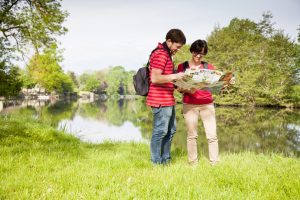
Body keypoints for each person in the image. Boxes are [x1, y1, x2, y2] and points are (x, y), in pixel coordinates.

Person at [146, 29, 186, 164]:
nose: (178, 49)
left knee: (171, 130)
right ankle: (156, 162)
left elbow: (166, 78)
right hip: (159, 99)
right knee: (160, 131)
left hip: (168, 99)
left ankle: (166, 160)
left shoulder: (167, 54)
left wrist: (180, 85)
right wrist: (176, 76)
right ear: (169, 41)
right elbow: (155, 78)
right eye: (177, 46)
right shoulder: (160, 54)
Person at [177, 39, 219, 166]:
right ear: (192, 51)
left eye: (201, 54)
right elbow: (178, 88)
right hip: (190, 104)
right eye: (196, 53)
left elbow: (215, 85)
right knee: (192, 135)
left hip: (207, 104)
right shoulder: (182, 67)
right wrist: (188, 88)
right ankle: (193, 163)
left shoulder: (208, 67)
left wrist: (225, 81)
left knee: (212, 135)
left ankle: (214, 163)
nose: (198, 56)